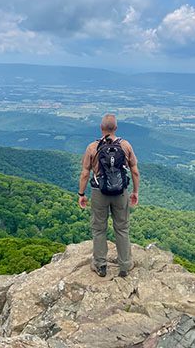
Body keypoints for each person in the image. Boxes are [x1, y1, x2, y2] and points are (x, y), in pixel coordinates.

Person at [78, 113, 139, 278]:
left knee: (99, 229)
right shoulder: (125, 146)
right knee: (122, 228)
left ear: (101, 128)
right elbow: (134, 170)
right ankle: (125, 265)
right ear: (116, 128)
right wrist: (135, 192)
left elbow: (85, 173)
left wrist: (81, 194)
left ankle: (100, 265)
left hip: (99, 192)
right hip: (120, 192)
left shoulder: (92, 148)